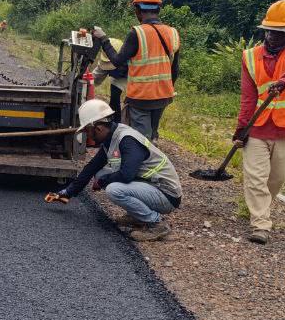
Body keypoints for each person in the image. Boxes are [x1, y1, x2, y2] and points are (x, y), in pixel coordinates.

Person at [43, 98, 183, 241]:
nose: (87, 136)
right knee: (100, 173)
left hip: (166, 194)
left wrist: (102, 182)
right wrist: (67, 192)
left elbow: (127, 175)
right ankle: (138, 216)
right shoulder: (111, 139)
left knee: (113, 189)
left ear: (98, 128)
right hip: (150, 186)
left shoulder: (127, 140)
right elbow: (91, 168)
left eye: (87, 131)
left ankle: (156, 224)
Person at [235, 0, 285, 245]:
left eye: (280, 32)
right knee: (255, 177)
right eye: (270, 31)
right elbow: (248, 97)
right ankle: (260, 224)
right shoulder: (249, 56)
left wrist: (284, 80)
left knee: (276, 179)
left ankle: (259, 207)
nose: (273, 36)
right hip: (257, 127)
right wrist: (241, 128)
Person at [91, 0, 180, 141]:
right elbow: (175, 70)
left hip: (141, 98)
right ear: (158, 8)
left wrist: (104, 38)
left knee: (139, 140)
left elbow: (117, 61)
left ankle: (143, 163)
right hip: (163, 96)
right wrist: (167, 90)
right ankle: (152, 158)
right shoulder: (172, 32)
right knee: (151, 135)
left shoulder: (137, 33)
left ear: (138, 9)